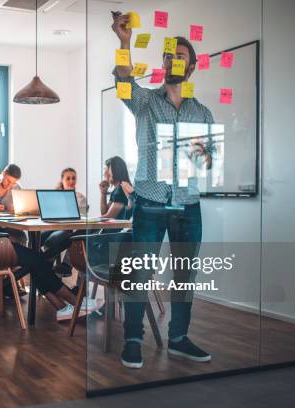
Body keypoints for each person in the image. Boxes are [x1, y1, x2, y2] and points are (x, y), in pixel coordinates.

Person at [111, 12, 214, 368]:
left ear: (192, 67)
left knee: (185, 272)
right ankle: (133, 340)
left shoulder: (202, 112)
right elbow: (124, 82)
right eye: (168, 55)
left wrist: (197, 156)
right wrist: (124, 43)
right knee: (140, 271)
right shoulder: (145, 103)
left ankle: (179, 339)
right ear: (163, 62)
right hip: (151, 202)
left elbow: (206, 162)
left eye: (180, 56)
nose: (173, 59)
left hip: (188, 204)